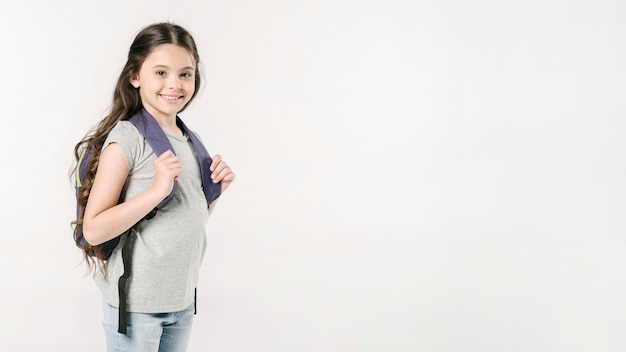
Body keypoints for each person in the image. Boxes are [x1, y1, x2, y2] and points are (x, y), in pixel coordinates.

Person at [72, 22, 235, 352]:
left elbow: (186, 219)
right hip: (137, 308)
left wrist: (216, 191)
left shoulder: (190, 140)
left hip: (181, 301)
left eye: (185, 74)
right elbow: (93, 229)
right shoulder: (127, 140)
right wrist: (157, 190)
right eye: (160, 72)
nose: (174, 84)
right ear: (135, 77)